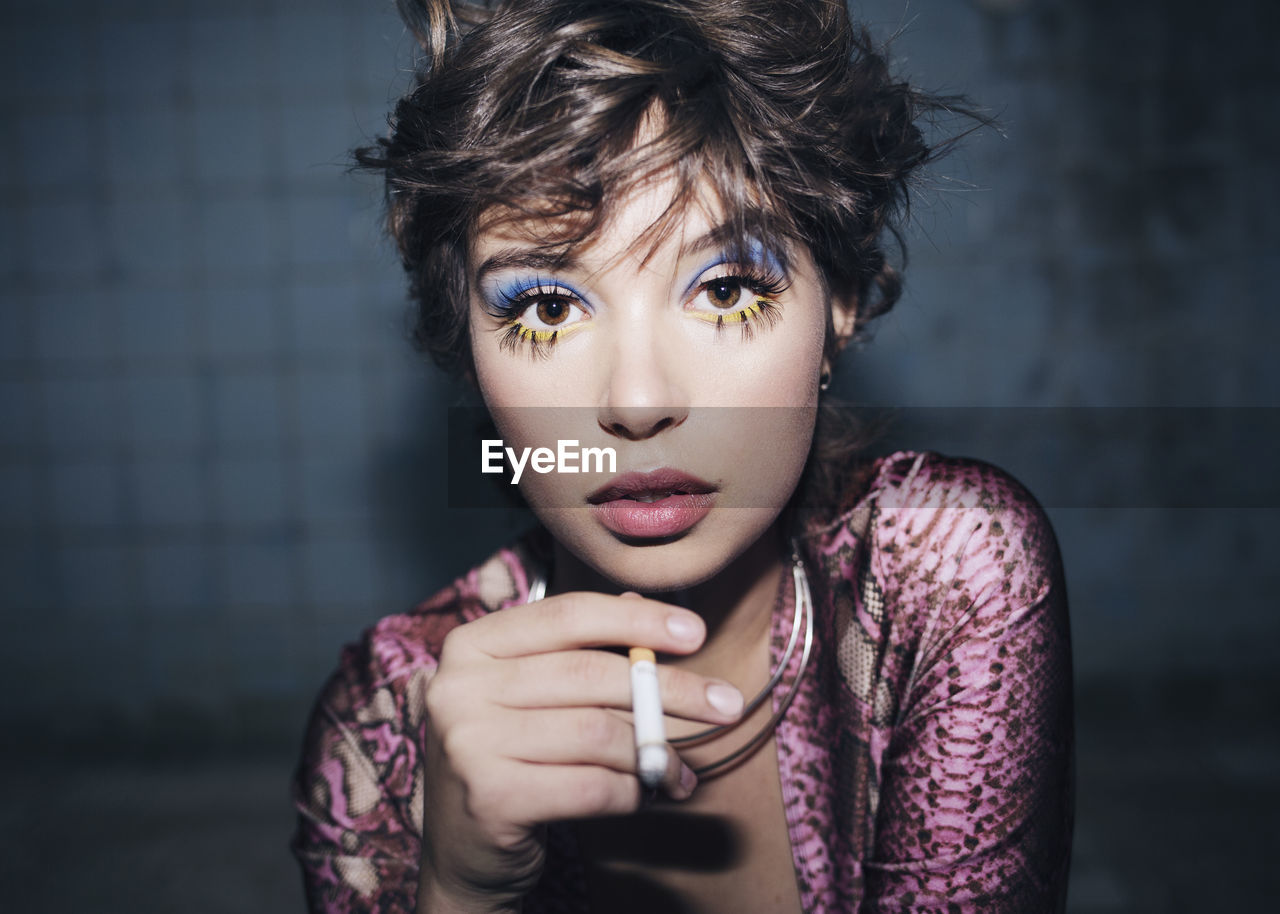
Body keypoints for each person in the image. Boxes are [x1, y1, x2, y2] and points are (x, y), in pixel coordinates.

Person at [289, 1, 1075, 911]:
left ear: (842, 305)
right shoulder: (379, 736)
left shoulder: (942, 572)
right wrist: (460, 891)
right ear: (468, 351)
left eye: (728, 287)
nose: (637, 400)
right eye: (546, 307)